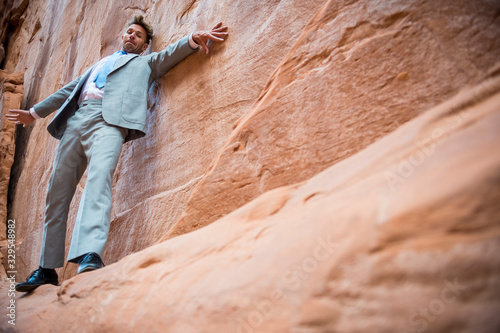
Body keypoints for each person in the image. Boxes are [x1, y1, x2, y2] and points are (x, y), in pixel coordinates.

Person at [5, 15, 228, 292]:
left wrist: (194, 39)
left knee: (99, 181)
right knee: (56, 192)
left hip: (109, 123)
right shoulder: (98, 64)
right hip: (76, 122)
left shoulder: (145, 62)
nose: (131, 36)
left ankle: (90, 254)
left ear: (144, 45)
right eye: (129, 32)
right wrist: (34, 112)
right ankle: (47, 269)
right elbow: (68, 91)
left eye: (138, 35)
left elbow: (168, 55)